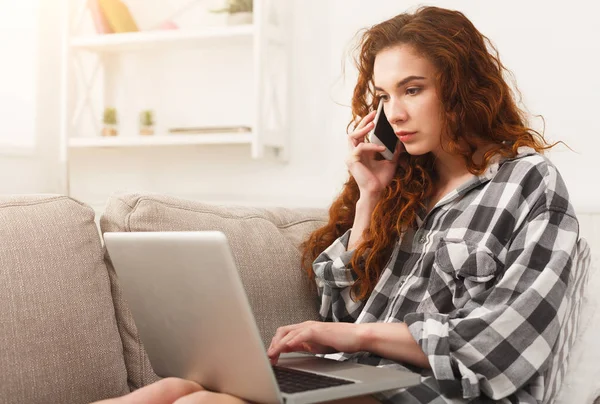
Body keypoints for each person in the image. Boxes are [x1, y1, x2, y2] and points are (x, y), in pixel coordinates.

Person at [97, 5, 581, 404]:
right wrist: (370, 195)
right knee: (168, 390)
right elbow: (343, 317)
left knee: (204, 402)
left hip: (438, 394)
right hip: (360, 383)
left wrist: (360, 338)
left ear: (462, 86)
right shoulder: (406, 185)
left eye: (413, 89)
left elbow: (500, 347)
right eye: (384, 96)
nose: (396, 113)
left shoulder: (529, 185)